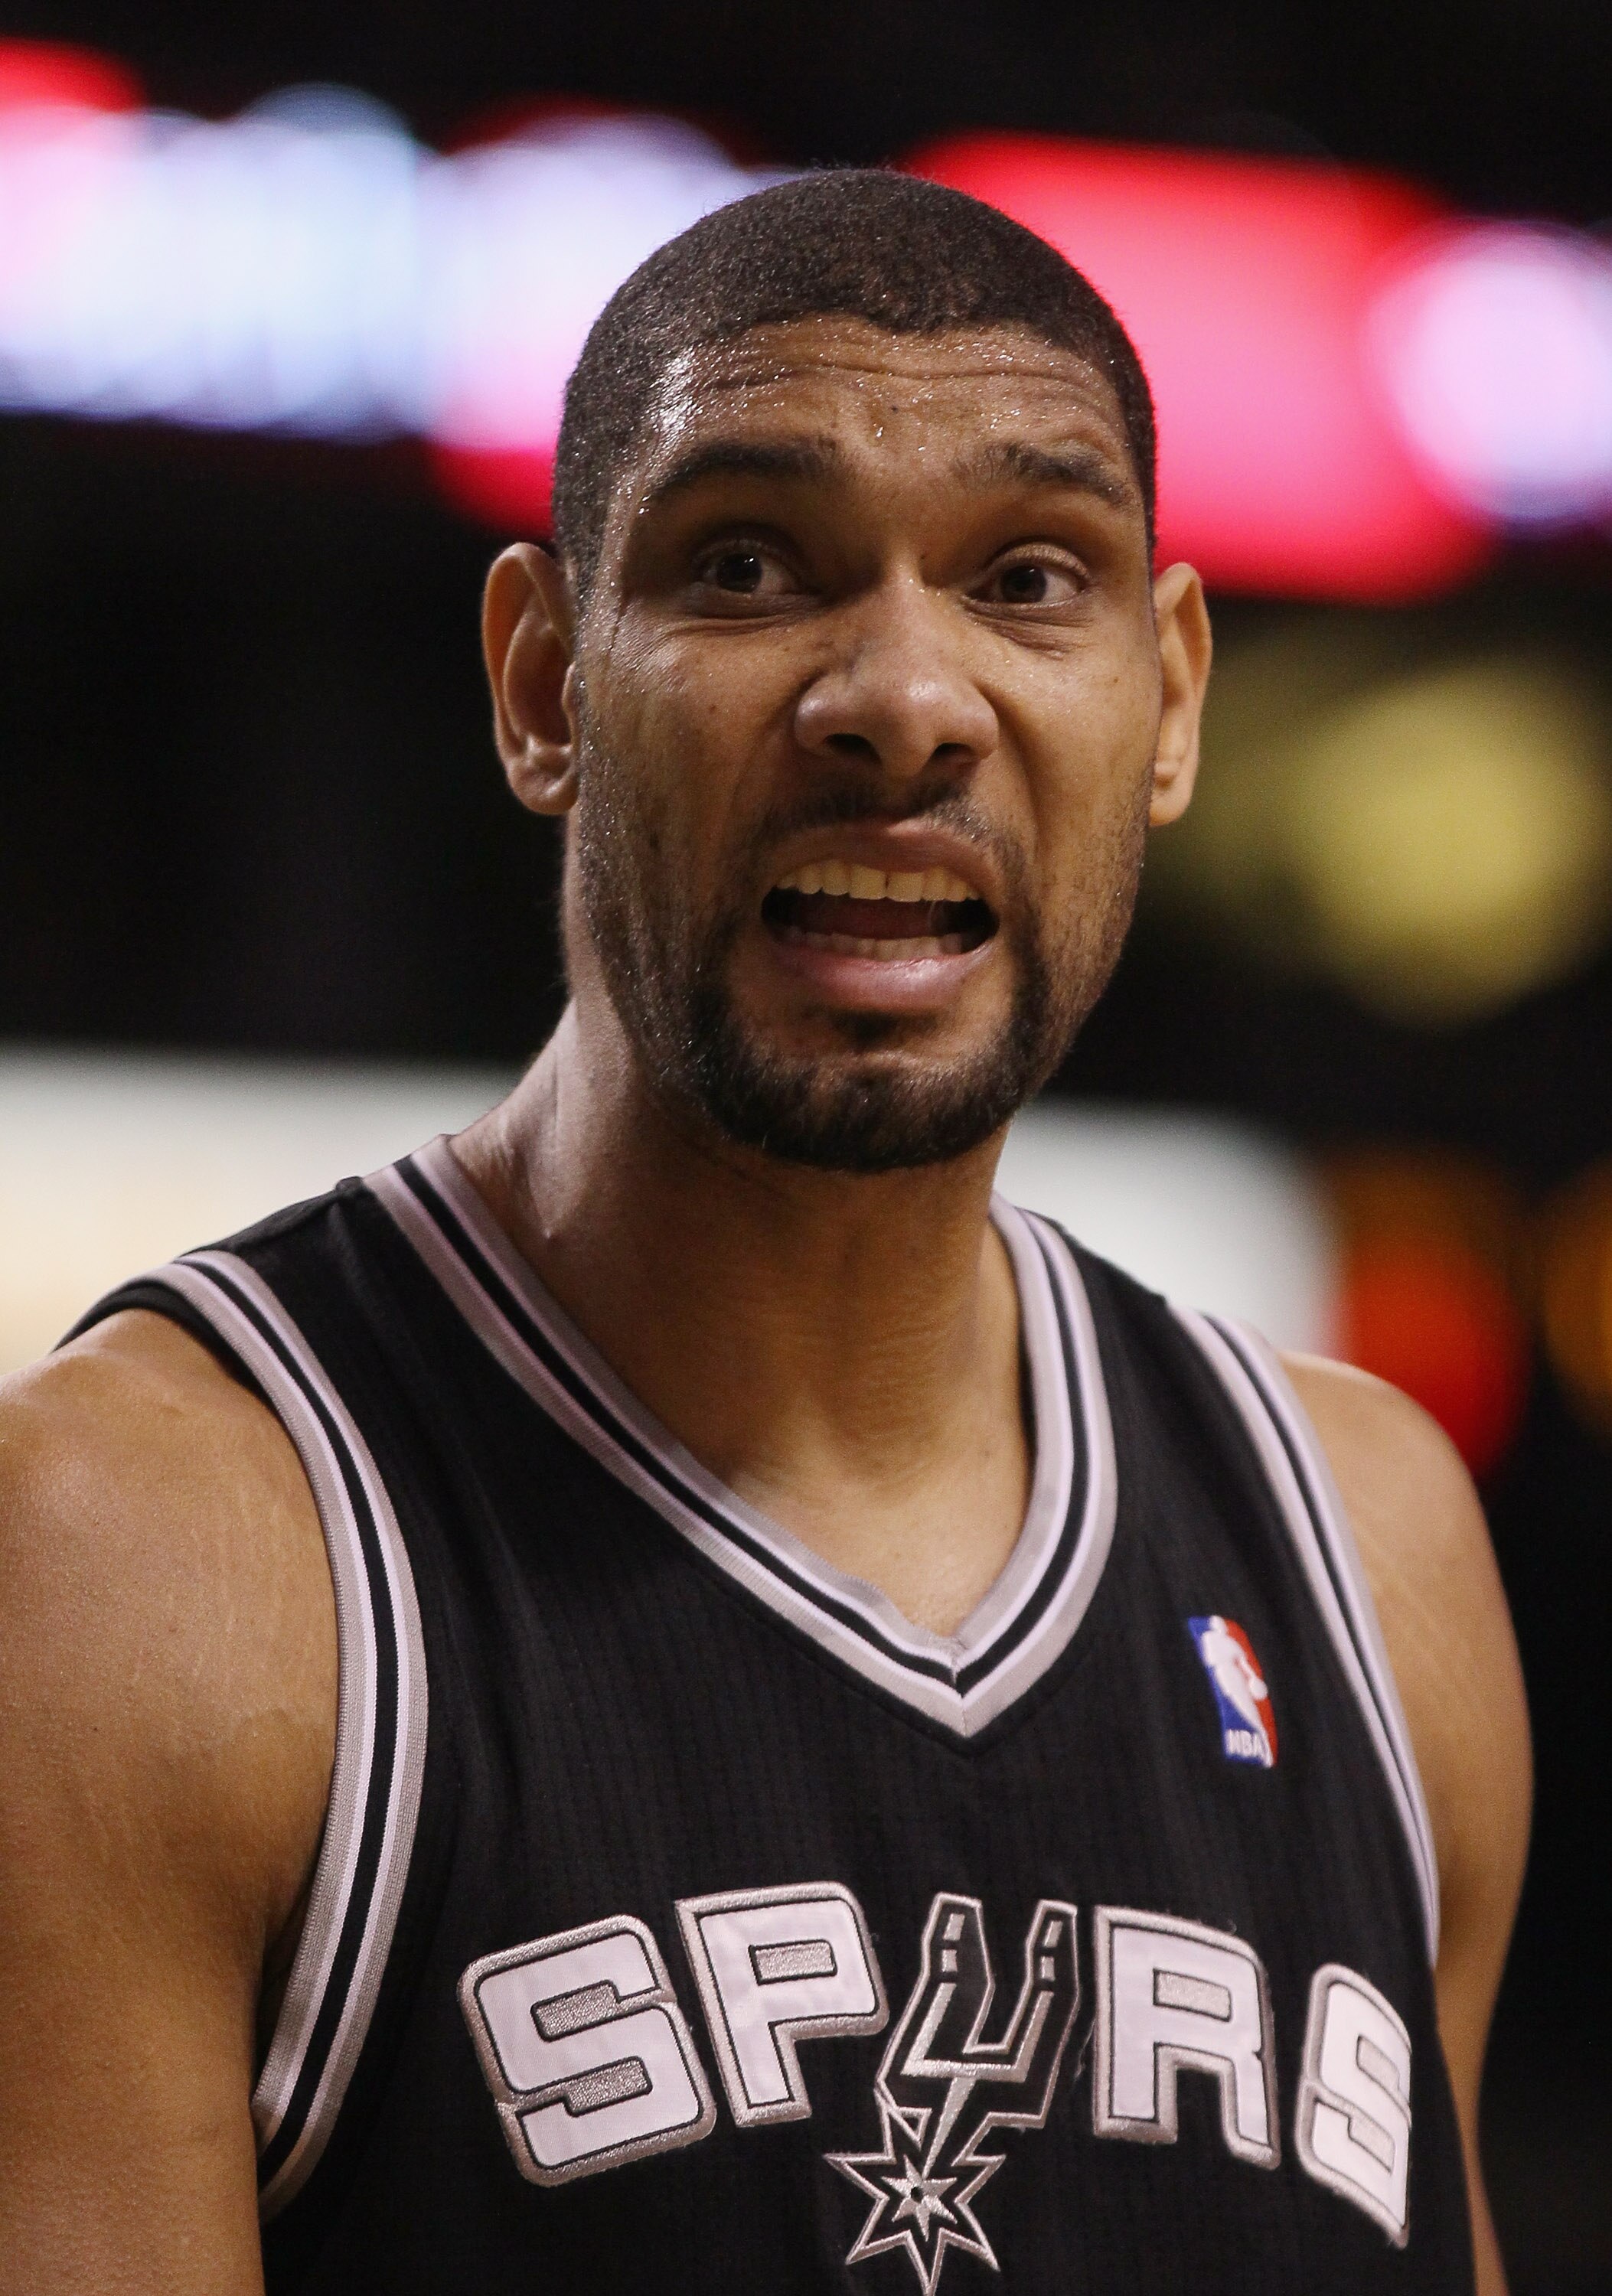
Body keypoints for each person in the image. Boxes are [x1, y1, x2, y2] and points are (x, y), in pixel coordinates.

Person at [0, 171, 1528, 2295]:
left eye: (1025, 577)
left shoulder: (1368, 1552)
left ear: (1166, 699)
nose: (901, 699)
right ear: (542, 682)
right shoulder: (145, 1548)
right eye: (742, 566)